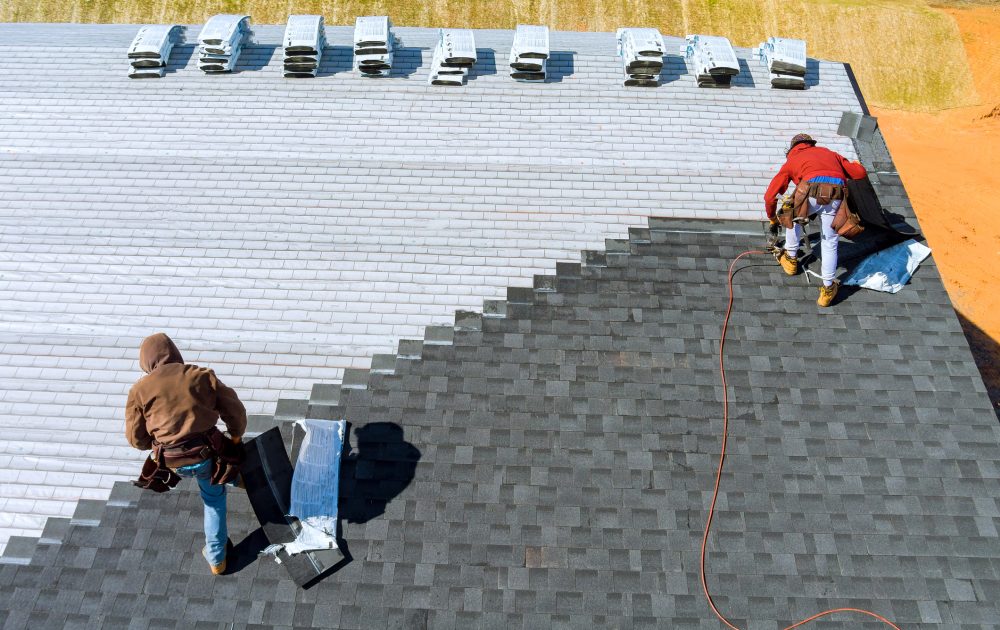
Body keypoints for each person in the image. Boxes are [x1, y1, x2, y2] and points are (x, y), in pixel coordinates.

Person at [125, 333, 246, 575]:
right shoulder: (200, 375)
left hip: (172, 462)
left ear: (147, 361)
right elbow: (235, 411)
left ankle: (237, 478)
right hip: (206, 454)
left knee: (210, 475)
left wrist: (164, 442)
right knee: (213, 499)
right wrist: (235, 437)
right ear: (174, 353)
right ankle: (217, 559)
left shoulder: (139, 391)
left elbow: (136, 440)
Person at [764, 133, 867, 307]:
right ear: (811, 144)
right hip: (835, 196)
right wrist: (856, 164)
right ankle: (827, 289)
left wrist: (773, 218)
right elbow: (859, 173)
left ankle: (791, 259)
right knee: (830, 241)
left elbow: (769, 197)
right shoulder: (829, 152)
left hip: (809, 194)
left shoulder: (792, 160)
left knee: (792, 216)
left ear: (792, 149)